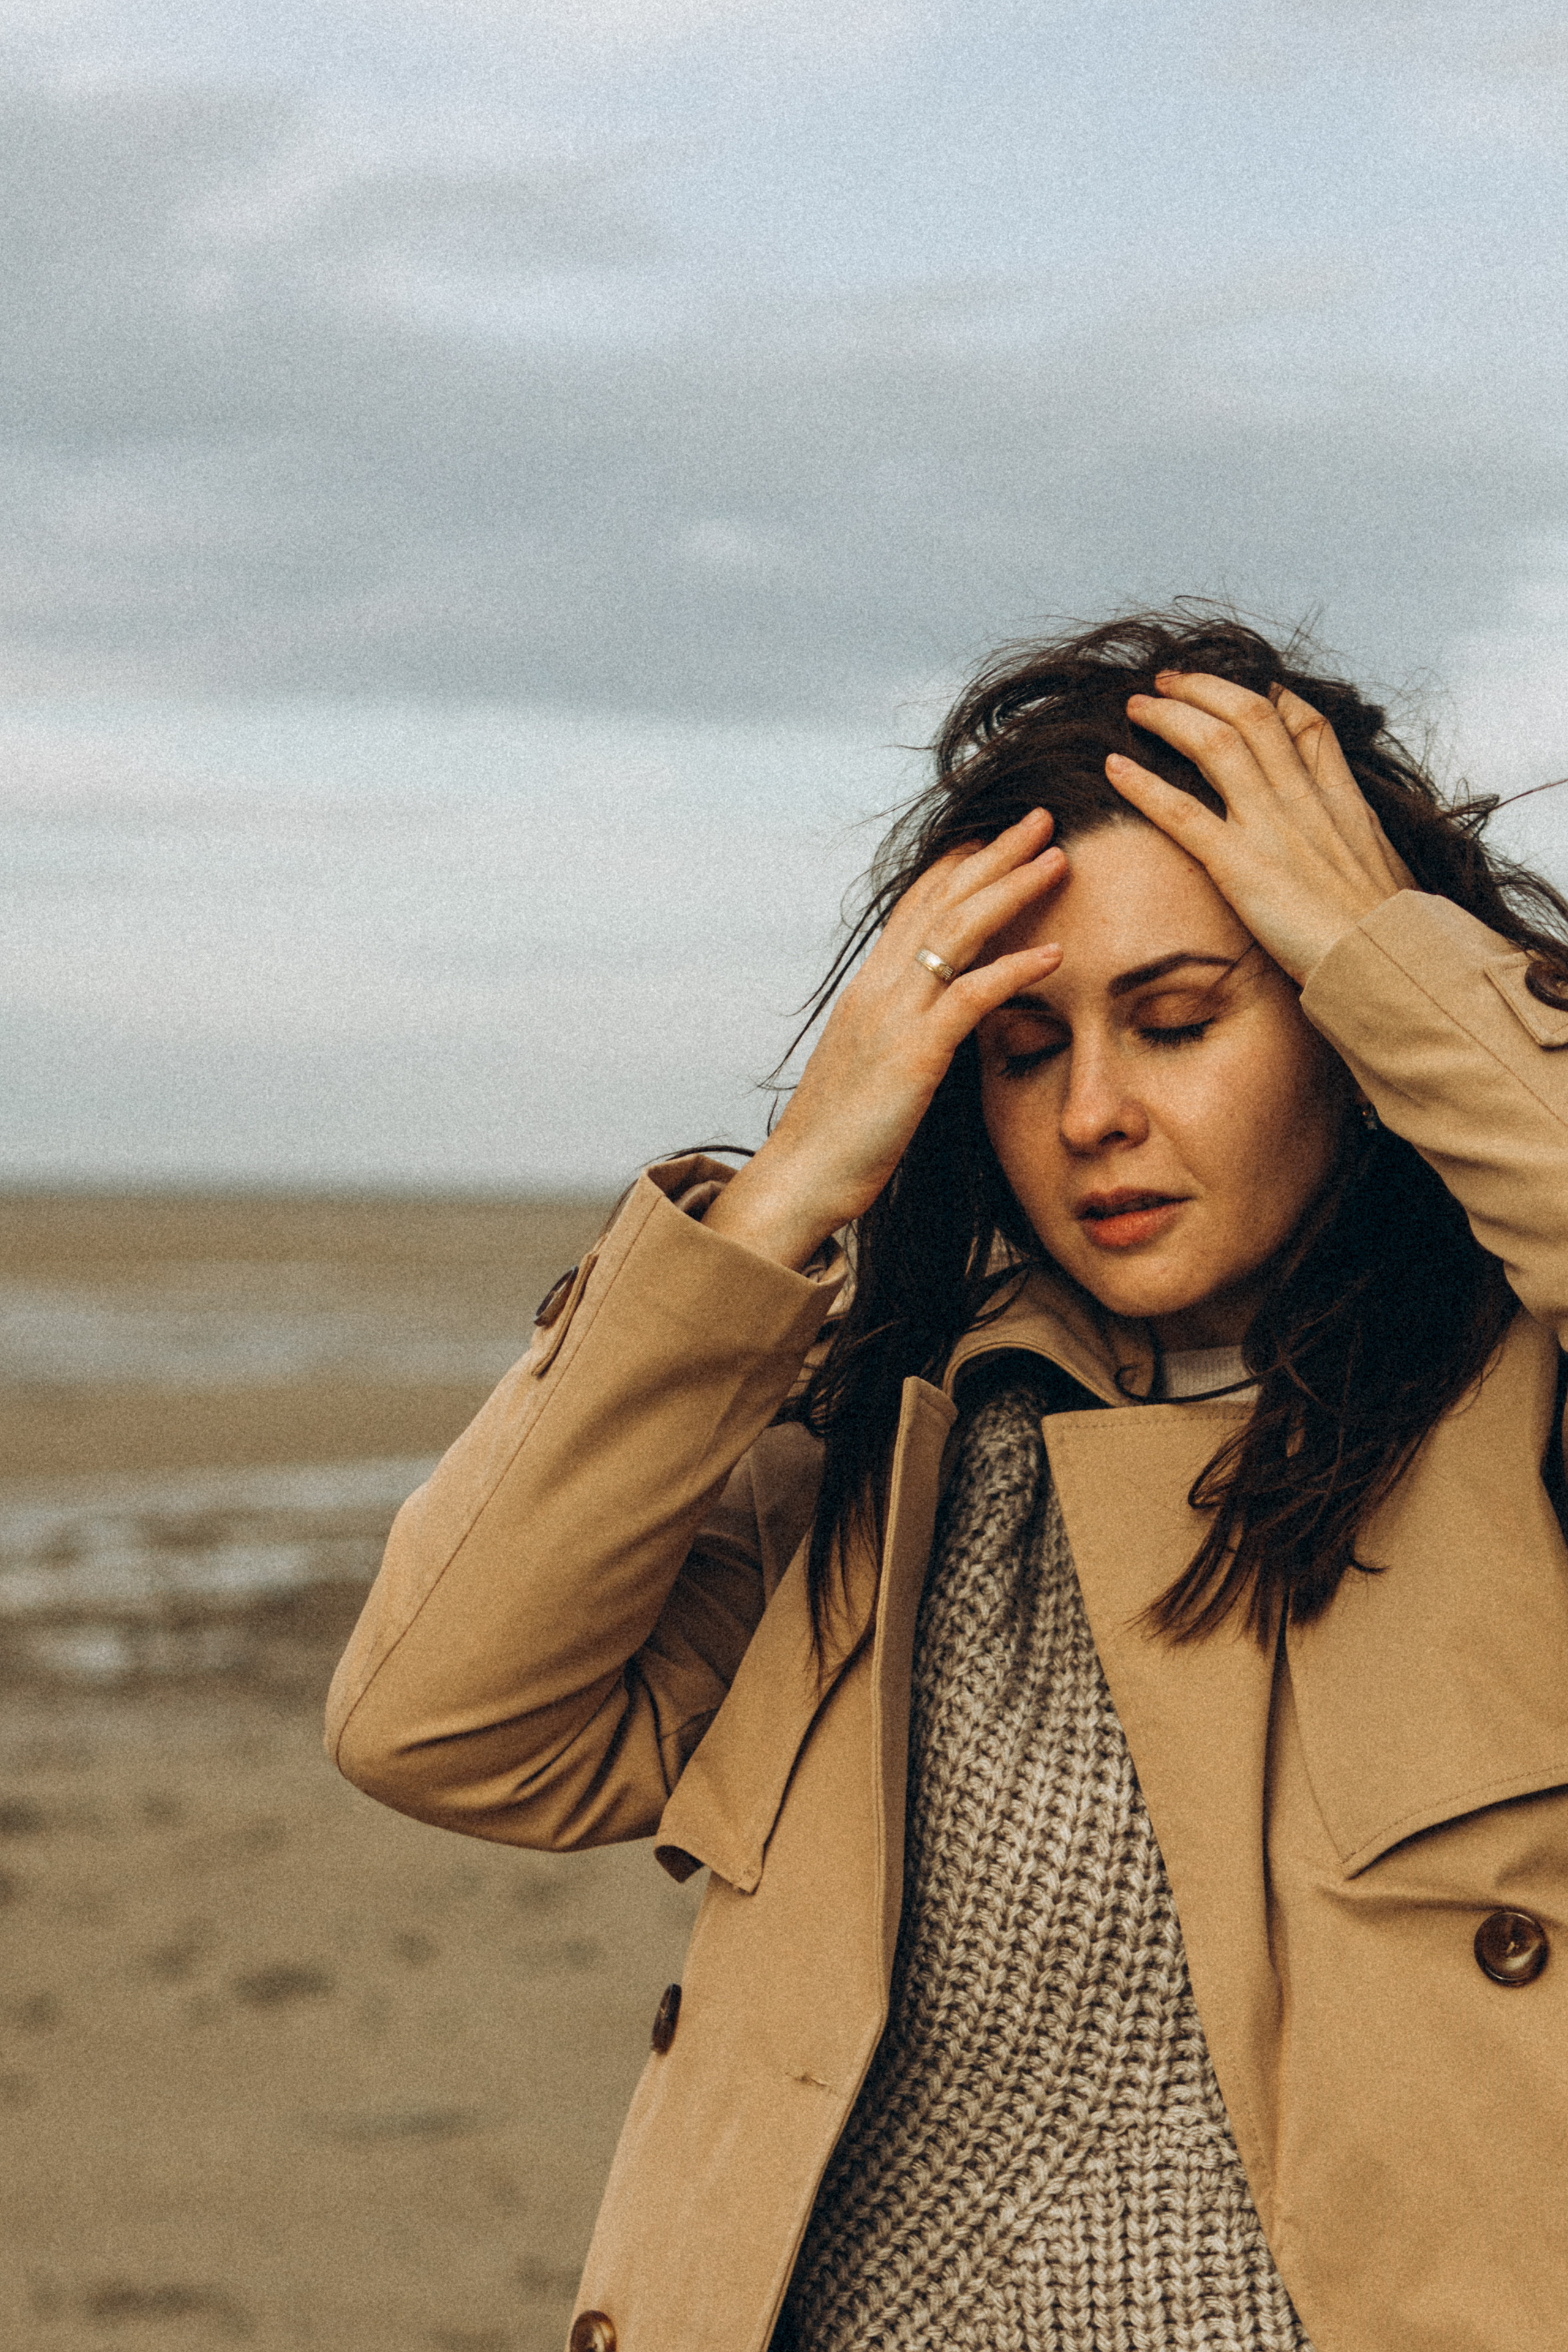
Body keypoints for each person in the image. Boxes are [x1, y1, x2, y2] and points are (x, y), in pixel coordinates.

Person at [325, 613, 1568, 2352]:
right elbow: (441, 1723)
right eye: (1027, 1044)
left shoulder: (1518, 1411)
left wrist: (1385, 954)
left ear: (1339, 1030)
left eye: (1183, 1016)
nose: (1096, 1115)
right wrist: (778, 1203)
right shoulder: (891, 1458)